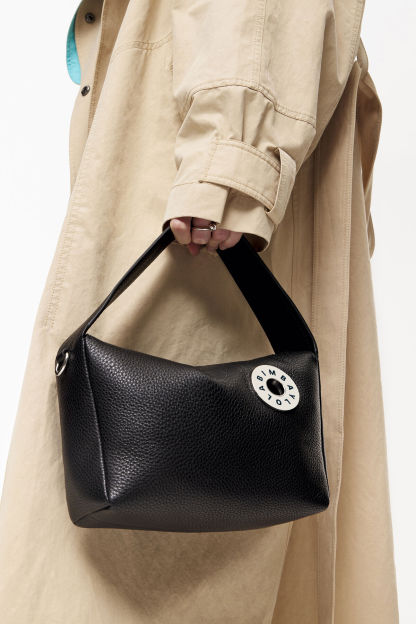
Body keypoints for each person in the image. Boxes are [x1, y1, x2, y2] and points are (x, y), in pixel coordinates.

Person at [0, 1, 399, 622]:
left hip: (213, 115)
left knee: (144, 566)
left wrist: (229, 157)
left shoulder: (224, 142)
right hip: (210, 99)